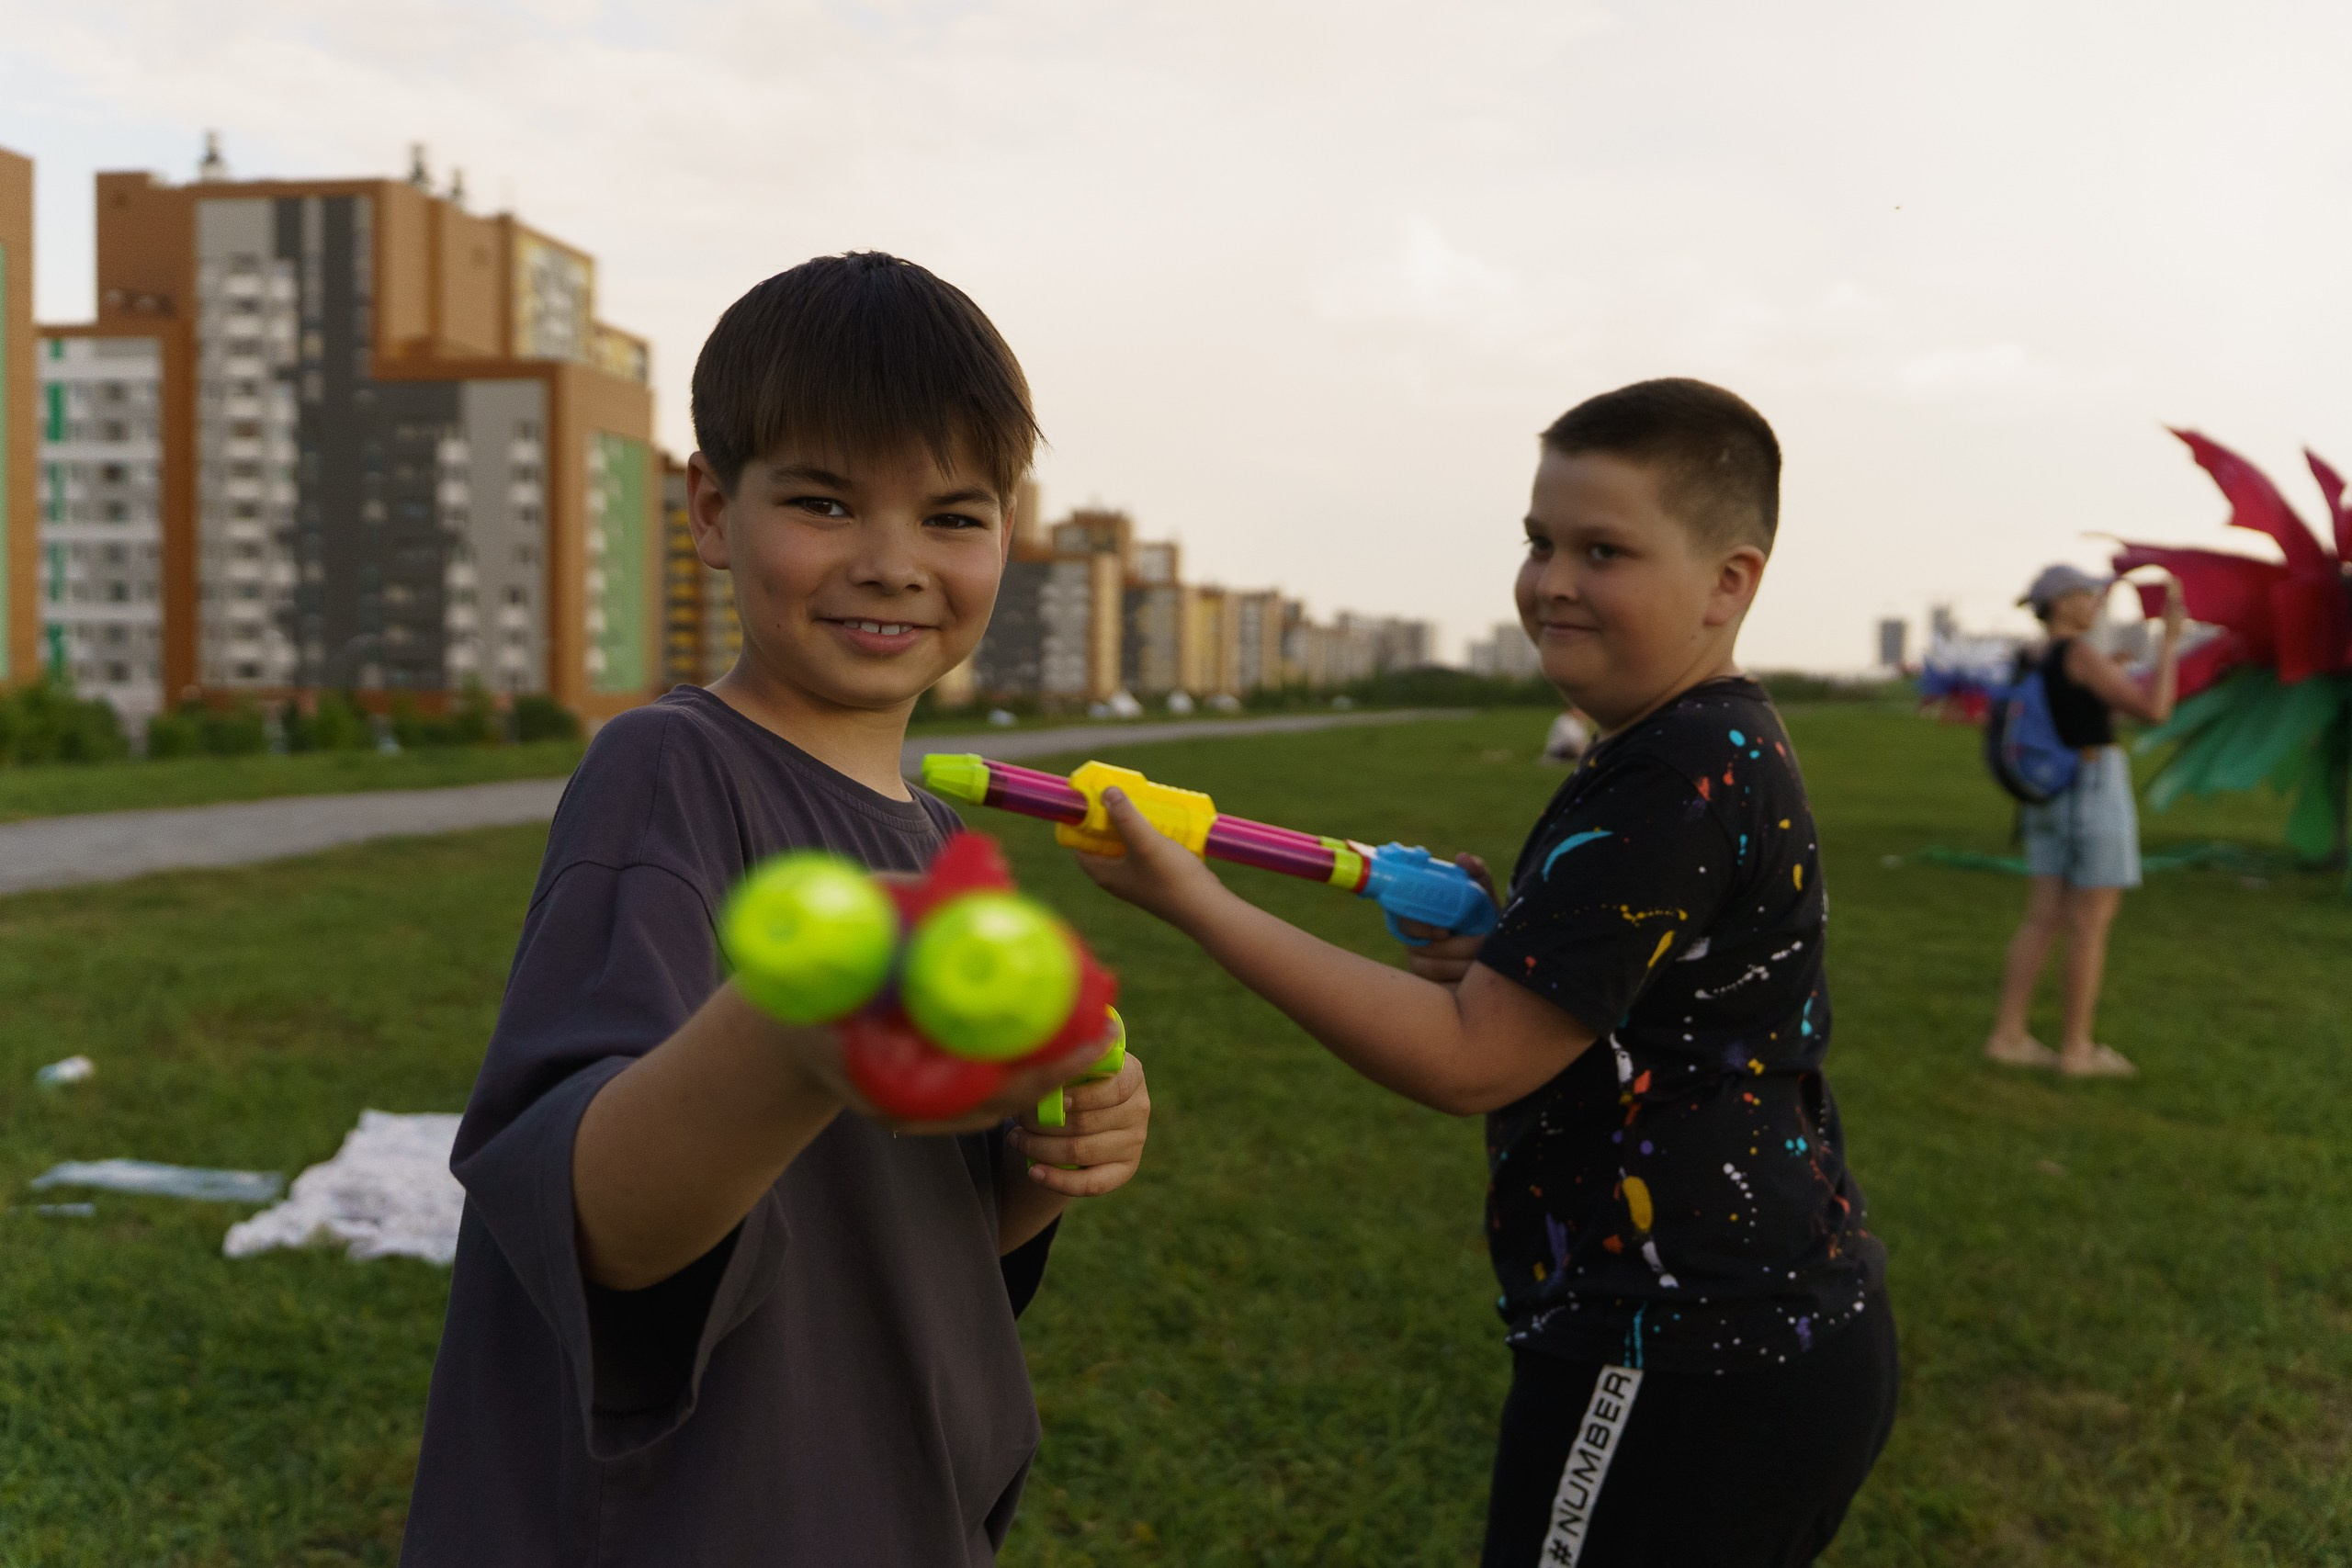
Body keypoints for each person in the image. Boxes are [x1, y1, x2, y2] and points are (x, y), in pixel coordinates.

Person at [401, 254, 1152, 1566]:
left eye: (952, 517)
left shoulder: (935, 839)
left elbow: (922, 1236)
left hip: (888, 1496)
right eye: (823, 501)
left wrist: (1046, 1153)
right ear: (710, 508)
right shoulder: (668, 773)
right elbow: (599, 1228)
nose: (891, 563)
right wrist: (800, 1029)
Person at [1069, 379, 1892, 1566]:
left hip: (1680, 1354)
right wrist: (1512, 951)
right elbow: (1660, 1002)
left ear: (1728, 582)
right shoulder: (1696, 742)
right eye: (1539, 541)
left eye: (1603, 550)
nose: (1552, 580)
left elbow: (1469, 1060)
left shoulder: (1671, 775)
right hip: (1773, 1320)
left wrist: (1195, 900)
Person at [1983, 564, 2184, 1078]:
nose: (2096, 602)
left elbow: (2074, 714)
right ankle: (2077, 1050)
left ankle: (2007, 1036)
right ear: (2062, 603)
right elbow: (2155, 710)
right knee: (2090, 923)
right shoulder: (2079, 653)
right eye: (2087, 594)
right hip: (2092, 790)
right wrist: (2169, 642)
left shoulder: (2032, 657)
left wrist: (2108, 677)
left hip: (2044, 797)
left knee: (2042, 917)